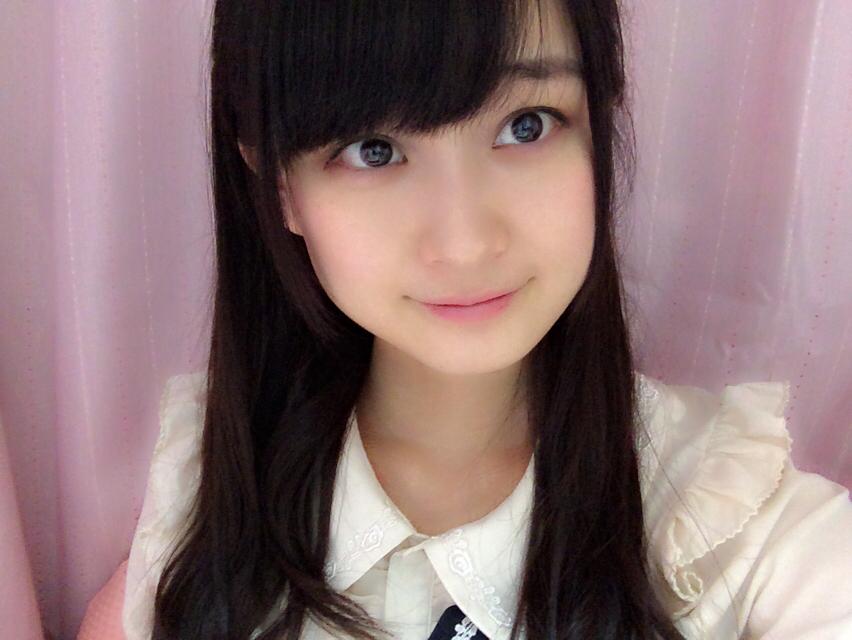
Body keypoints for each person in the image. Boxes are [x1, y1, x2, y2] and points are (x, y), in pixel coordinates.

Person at [77, 0, 852, 638]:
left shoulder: (739, 535)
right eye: (373, 149)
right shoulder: (190, 537)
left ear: (599, 121)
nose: (465, 241)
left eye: (527, 125)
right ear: (279, 185)